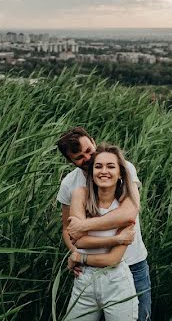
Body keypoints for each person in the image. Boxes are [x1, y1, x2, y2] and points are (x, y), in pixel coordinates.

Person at [57, 127, 152, 320]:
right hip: (90, 269)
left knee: (141, 315)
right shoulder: (71, 186)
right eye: (79, 157)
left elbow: (128, 214)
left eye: (89, 150)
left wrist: (83, 227)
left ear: (93, 141)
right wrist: (75, 253)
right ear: (70, 161)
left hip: (133, 262)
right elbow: (68, 230)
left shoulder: (122, 168)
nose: (88, 158)